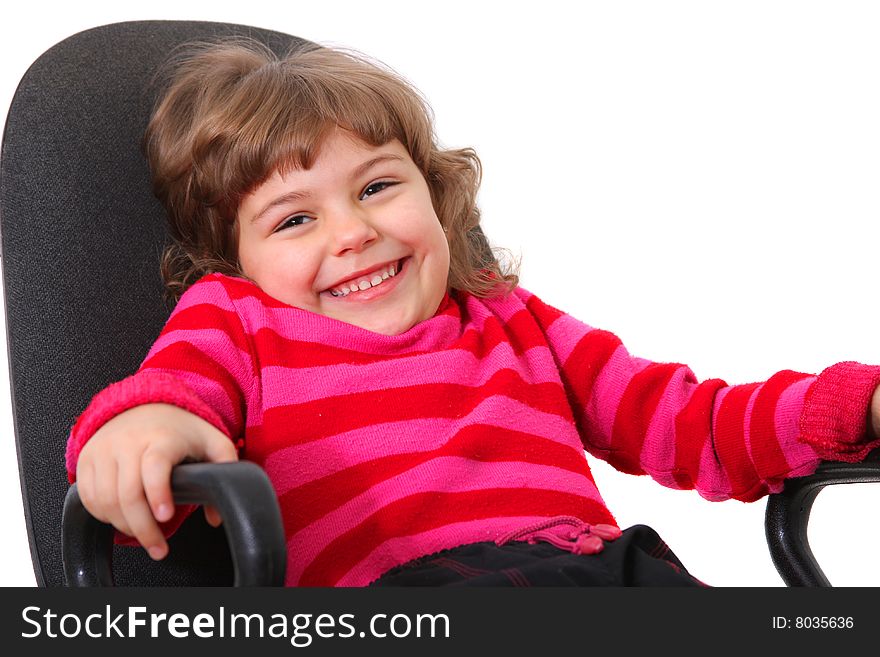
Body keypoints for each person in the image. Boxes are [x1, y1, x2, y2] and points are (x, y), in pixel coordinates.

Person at [65, 38, 880, 587]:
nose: (355, 232)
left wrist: (857, 403)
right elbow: (171, 397)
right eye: (294, 218)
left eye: (378, 186)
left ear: (436, 190)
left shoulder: (510, 316)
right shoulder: (239, 318)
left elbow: (693, 422)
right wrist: (141, 433)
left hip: (607, 573)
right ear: (235, 256)